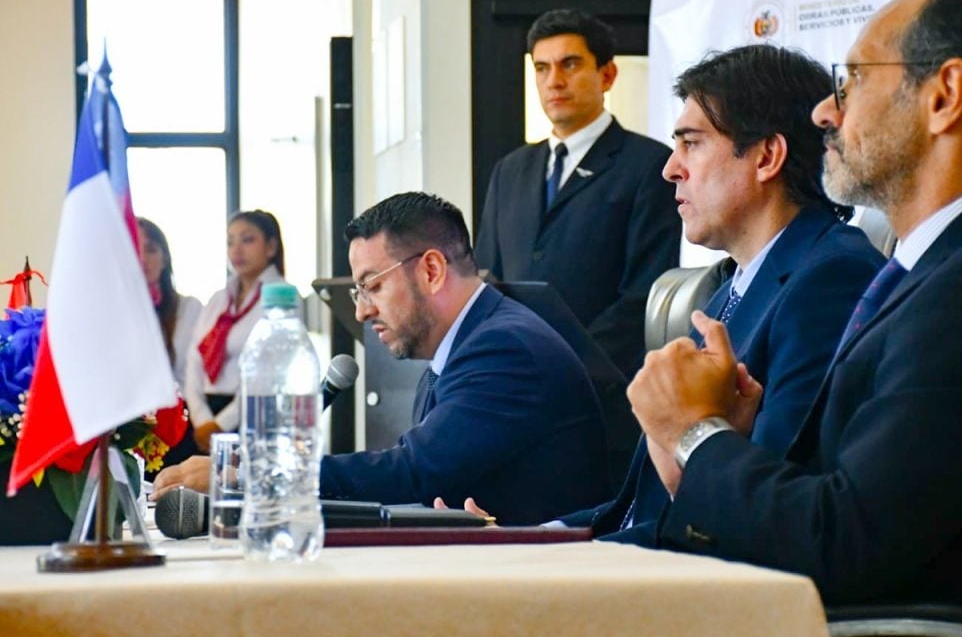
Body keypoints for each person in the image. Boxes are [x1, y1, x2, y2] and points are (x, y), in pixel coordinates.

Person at [626, 0, 962, 617]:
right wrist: (729, 440)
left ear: (945, 96)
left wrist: (695, 436)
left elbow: (846, 543)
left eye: (855, 79)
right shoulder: (944, 266)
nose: (824, 113)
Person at [457, 45, 886, 545]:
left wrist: (554, 557)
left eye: (692, 144)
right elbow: (637, 509)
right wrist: (529, 538)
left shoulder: (830, 279)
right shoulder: (729, 288)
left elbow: (757, 516)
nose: (670, 169)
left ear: (767, 156)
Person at [155, 193, 609, 525]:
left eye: (371, 286)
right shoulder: (466, 343)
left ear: (431, 270)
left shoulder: (503, 348)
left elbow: (413, 471)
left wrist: (250, 475)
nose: (361, 310)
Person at [475, 8, 681, 381]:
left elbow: (644, 294)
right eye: (542, 68)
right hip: (516, 377)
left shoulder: (649, 165)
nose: (554, 81)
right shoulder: (510, 171)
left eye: (569, 64)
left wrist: (566, 361)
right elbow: (487, 278)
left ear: (607, 75)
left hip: (605, 385)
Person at [182, 209, 287, 454]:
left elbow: (267, 374)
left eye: (247, 240)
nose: (236, 250)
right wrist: (202, 419)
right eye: (230, 242)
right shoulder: (218, 299)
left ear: (271, 247)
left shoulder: (282, 296)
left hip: (251, 414)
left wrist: (221, 424)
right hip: (205, 417)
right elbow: (194, 360)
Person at [137, 217, 203, 468]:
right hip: (128, 427)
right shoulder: (112, 312)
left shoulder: (188, 309)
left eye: (151, 249)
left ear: (164, 258)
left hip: (177, 428)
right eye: (134, 248)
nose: (142, 258)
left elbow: (191, 378)